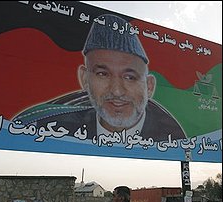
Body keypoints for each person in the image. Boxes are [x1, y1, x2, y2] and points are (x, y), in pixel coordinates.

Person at [13, 14, 186, 142]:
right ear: (85, 79)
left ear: (149, 86)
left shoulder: (174, 139)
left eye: (130, 77)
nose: (117, 91)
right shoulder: (41, 124)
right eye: (103, 74)